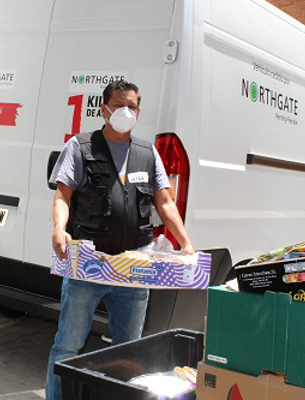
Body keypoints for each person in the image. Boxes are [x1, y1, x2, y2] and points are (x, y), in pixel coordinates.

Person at [45, 80, 194, 400]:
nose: (126, 112)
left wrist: (185, 243)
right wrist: (60, 228)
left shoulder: (147, 152)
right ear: (104, 109)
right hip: (90, 263)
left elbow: (165, 202)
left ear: (138, 111)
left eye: (132, 106)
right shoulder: (81, 147)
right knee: (68, 345)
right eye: (120, 105)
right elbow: (62, 195)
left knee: (130, 348)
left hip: (135, 266)